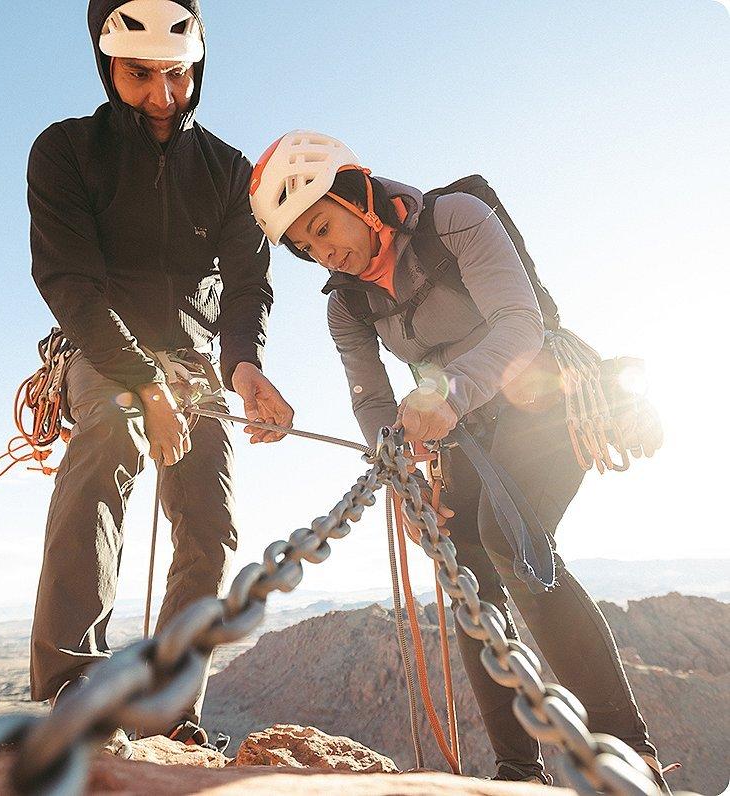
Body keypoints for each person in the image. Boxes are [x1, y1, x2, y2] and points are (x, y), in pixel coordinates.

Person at [248, 130, 669, 787]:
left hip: (544, 397)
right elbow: (371, 401)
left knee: (512, 538)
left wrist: (446, 393)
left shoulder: (456, 220)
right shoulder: (347, 308)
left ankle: (628, 746)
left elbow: (519, 323)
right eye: (307, 246)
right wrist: (402, 478)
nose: (323, 250)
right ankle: (516, 771)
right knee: (464, 569)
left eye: (324, 226)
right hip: (464, 432)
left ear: (359, 194)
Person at [27, 0, 293, 745]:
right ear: (107, 64)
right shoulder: (65, 151)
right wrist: (144, 382)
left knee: (208, 517)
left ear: (197, 65)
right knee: (110, 433)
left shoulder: (228, 171)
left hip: (196, 360)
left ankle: (172, 709)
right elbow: (70, 283)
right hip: (102, 348)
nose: (161, 97)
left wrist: (245, 368)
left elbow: (248, 286)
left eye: (176, 75)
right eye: (140, 75)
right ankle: (75, 686)